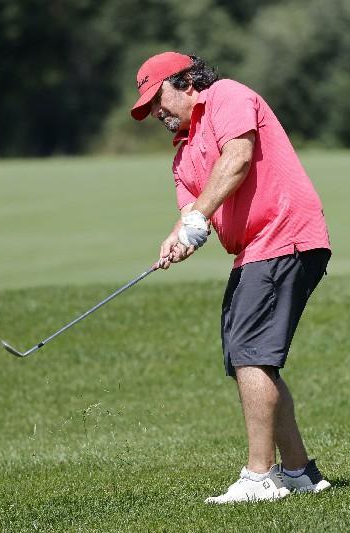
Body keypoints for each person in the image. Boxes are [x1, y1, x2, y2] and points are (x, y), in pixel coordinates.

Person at [130, 51, 332, 504]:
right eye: (148, 108)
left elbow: (238, 159)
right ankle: (299, 471)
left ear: (186, 83)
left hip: (284, 235)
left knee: (251, 355)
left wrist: (197, 217)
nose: (156, 112)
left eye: (157, 99)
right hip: (254, 250)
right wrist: (178, 238)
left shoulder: (227, 96)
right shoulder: (182, 156)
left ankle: (260, 477)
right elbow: (193, 212)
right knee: (246, 356)